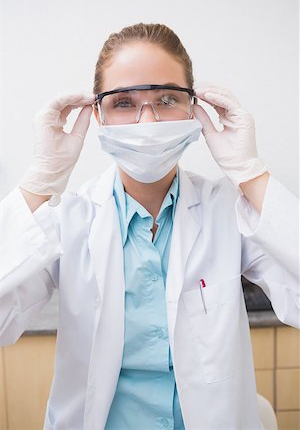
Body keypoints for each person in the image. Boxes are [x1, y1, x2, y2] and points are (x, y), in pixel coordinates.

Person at [0, 23, 298, 430]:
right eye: (123, 102)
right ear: (98, 116)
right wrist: (37, 184)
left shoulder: (227, 211)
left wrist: (251, 173)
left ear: (193, 110)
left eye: (166, 98)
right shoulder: (70, 218)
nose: (146, 120)